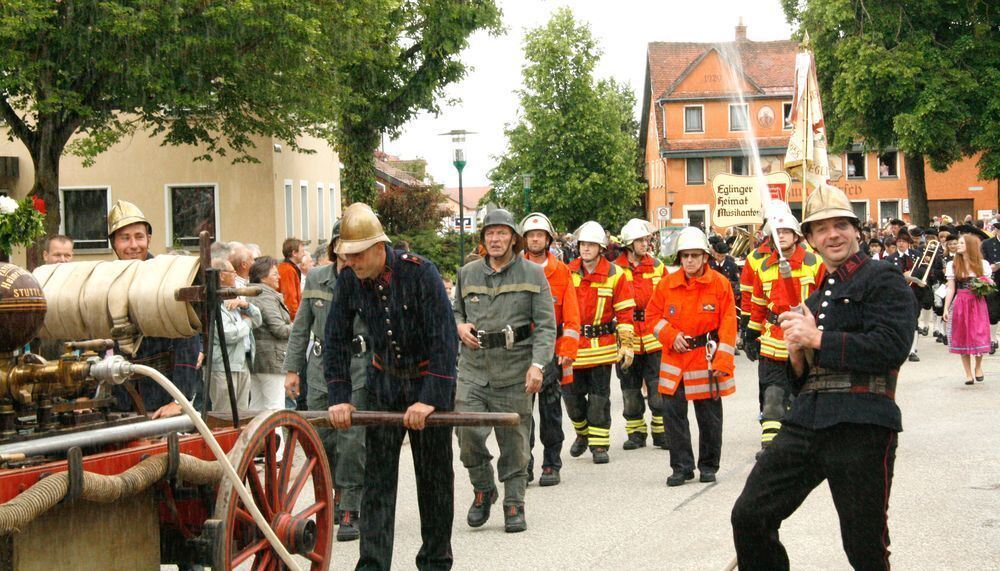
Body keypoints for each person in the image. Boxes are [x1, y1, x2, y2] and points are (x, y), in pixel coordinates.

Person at [731, 184, 916, 570]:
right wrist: (797, 352)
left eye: (841, 225)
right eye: (822, 228)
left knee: (864, 546)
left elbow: (892, 345)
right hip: (807, 421)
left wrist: (817, 337)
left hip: (862, 423)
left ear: (855, 230)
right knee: (750, 516)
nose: (833, 234)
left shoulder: (883, 278)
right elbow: (803, 380)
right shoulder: (815, 300)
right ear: (811, 239)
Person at [325, 203, 458, 570]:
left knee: (434, 483)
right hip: (383, 384)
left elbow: (445, 339)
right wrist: (339, 397)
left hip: (429, 380)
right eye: (345, 255)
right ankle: (372, 565)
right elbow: (334, 339)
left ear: (379, 246)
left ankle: (435, 562)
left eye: (356, 254)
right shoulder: (349, 279)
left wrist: (430, 400)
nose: (350, 262)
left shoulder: (421, 273)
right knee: (377, 484)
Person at [454, 209, 556, 533]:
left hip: (515, 369)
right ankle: (483, 488)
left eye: (501, 233)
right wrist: (459, 326)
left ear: (514, 238)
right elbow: (456, 309)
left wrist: (538, 366)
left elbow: (546, 326)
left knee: (514, 440)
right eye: (489, 234)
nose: (495, 239)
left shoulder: (533, 274)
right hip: (473, 369)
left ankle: (514, 501)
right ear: (483, 239)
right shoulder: (467, 273)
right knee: (467, 433)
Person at [284, 220, 369, 541]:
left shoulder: (367, 277)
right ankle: (335, 489)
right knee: (323, 440)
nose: (347, 255)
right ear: (334, 248)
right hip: (319, 370)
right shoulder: (317, 278)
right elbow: (300, 327)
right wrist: (292, 369)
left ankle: (350, 504)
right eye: (341, 246)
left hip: (357, 367)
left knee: (351, 440)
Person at [646, 226, 737, 486]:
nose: (689, 261)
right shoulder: (667, 284)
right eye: (685, 256)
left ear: (705, 257)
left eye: (695, 256)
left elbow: (729, 323)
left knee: (709, 417)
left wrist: (723, 361)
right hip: (675, 358)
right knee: (673, 416)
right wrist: (670, 335)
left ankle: (708, 466)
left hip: (706, 358)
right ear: (679, 258)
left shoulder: (719, 285)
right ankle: (681, 467)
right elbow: (653, 317)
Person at [107, 200, 202, 419]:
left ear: (149, 239)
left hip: (162, 395)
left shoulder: (167, 276)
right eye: (125, 238)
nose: (133, 245)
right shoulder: (105, 280)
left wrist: (180, 400)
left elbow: (187, 338)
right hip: (120, 399)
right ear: (113, 243)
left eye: (139, 237)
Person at [745, 203, 824, 454]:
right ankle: (772, 447)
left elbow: (823, 300)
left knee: (802, 393)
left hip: (802, 339)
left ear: (796, 235)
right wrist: (750, 332)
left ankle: (802, 441)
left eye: (785, 232)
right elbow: (758, 305)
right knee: (771, 395)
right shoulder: (764, 267)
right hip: (772, 339)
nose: (781, 236)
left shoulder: (814, 262)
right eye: (776, 233)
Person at [565, 221, 636, 464]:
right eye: (583, 244)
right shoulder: (568, 272)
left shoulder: (615, 275)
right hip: (573, 347)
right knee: (572, 399)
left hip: (602, 346)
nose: (586, 248)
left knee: (598, 399)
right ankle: (582, 434)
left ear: (601, 248)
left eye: (591, 245)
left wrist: (626, 344)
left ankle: (599, 445)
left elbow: (625, 314)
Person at [520, 212, 581, 486]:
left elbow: (572, 316)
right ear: (525, 240)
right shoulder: (514, 270)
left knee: (550, 412)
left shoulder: (562, 272)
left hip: (551, 353)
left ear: (547, 239)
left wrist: (567, 349)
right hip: (520, 352)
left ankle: (551, 464)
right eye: (531, 235)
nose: (535, 239)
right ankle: (524, 464)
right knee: (521, 414)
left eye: (540, 235)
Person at [614, 218, 668, 449]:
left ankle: (661, 431)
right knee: (630, 388)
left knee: (658, 387)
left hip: (653, 337)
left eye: (647, 239)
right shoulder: (615, 269)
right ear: (629, 244)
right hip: (627, 337)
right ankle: (636, 433)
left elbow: (668, 296)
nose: (646, 244)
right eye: (640, 240)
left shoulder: (657, 267)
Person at [208, 258, 261, 412]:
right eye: (232, 272)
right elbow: (228, 334)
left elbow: (258, 319)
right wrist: (247, 323)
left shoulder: (235, 296)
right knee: (224, 414)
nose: (236, 274)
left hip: (242, 363)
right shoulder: (213, 301)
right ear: (221, 276)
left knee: (242, 412)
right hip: (223, 367)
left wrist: (246, 305)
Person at [943, 233, 992, 385]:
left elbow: (989, 284)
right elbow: (951, 288)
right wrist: (946, 308)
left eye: (962, 243)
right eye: (958, 243)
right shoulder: (953, 265)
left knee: (978, 334)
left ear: (970, 246)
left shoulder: (982, 264)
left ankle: (978, 367)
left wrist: (985, 285)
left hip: (977, 302)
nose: (958, 245)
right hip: (961, 301)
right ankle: (968, 373)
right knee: (962, 335)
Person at [247, 256, 291, 411]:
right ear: (263, 277)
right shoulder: (266, 297)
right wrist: (299, 329)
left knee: (256, 408)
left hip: (257, 360)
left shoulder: (252, 294)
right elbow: (279, 329)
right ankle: (276, 436)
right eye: (274, 274)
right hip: (271, 360)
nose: (279, 277)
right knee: (275, 408)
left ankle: (256, 436)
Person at [278, 237, 306, 320]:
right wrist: (297, 319)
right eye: (302, 251)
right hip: (291, 320)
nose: (304, 254)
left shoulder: (288, 268)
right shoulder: (287, 270)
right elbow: (289, 299)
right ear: (294, 253)